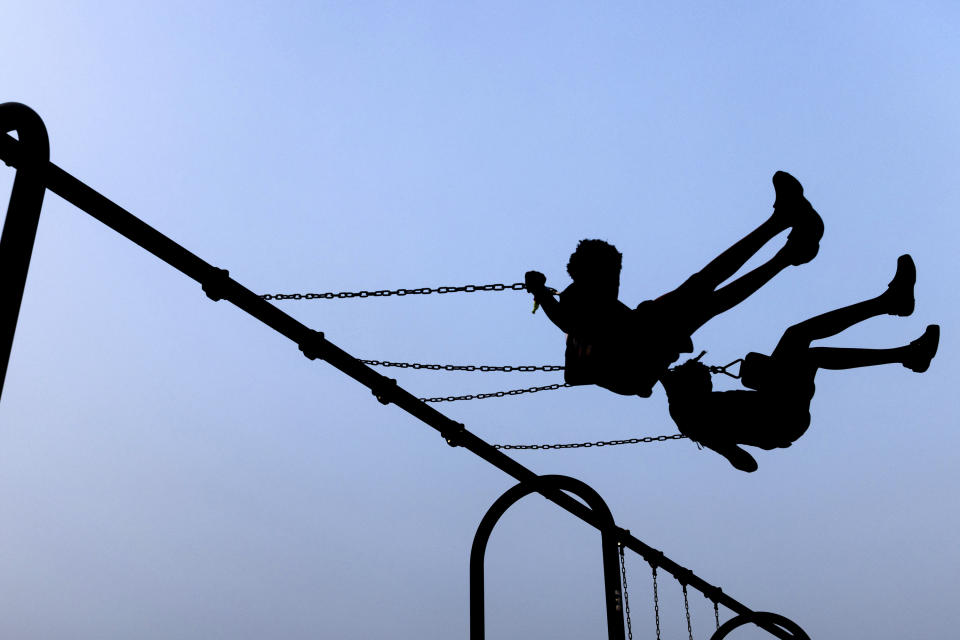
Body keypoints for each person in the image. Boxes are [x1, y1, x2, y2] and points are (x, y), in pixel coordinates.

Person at [525, 171, 823, 397]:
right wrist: (540, 291)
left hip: (644, 346)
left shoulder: (590, 298)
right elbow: (564, 320)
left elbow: (572, 323)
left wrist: (541, 291)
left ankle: (787, 249)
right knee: (705, 286)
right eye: (611, 274)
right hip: (644, 342)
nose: (616, 283)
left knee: (710, 296)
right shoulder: (580, 296)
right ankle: (782, 227)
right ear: (590, 273)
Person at [659, 254, 940, 472]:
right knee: (803, 348)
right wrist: (724, 446)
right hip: (781, 417)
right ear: (686, 387)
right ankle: (898, 326)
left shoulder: (696, 408)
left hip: (777, 405)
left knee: (799, 340)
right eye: (700, 374)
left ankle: (895, 317)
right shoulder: (692, 418)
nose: (708, 375)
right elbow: (745, 462)